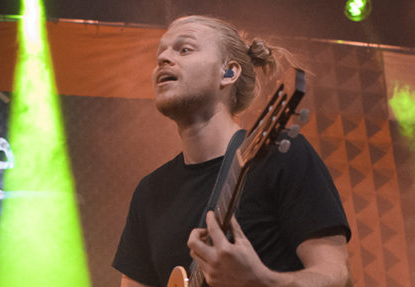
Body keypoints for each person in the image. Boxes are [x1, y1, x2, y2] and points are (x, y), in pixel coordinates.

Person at [112, 15, 352, 287]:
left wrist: (261, 281)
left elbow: (338, 277)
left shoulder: (279, 155)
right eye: (160, 53)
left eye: (184, 49)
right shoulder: (150, 192)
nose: (163, 59)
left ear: (229, 72)